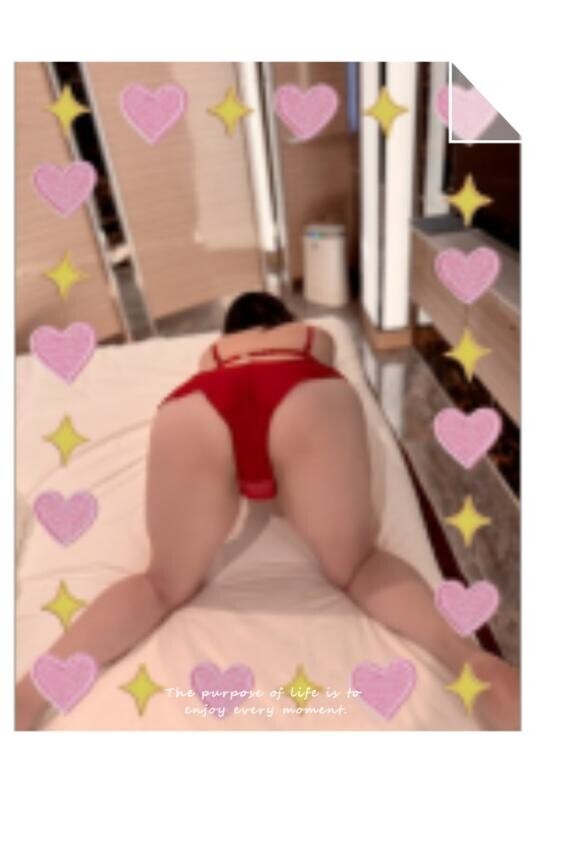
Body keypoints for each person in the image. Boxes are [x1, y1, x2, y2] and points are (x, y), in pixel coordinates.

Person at [15, 291, 520, 730]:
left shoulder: (213, 355)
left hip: (198, 409)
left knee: (160, 585)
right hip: (303, 394)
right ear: (283, 320)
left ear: (230, 333)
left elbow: (239, 392)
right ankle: (468, 660)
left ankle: (28, 696)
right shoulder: (313, 337)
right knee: (359, 565)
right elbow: (321, 372)